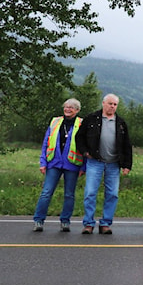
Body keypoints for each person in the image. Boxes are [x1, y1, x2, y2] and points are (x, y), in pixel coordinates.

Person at [76, 93, 132, 235]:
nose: (112, 106)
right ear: (103, 103)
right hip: (95, 162)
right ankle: (88, 223)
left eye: (115, 104)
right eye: (110, 103)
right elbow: (79, 137)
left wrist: (127, 164)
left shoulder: (121, 123)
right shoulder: (91, 118)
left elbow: (127, 144)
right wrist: (85, 152)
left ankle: (105, 223)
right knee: (90, 193)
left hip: (114, 164)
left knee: (112, 194)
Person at [32, 98, 85, 232]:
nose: (68, 109)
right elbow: (46, 142)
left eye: (71, 107)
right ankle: (38, 220)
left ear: (77, 110)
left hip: (72, 164)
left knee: (69, 194)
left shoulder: (82, 124)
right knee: (46, 192)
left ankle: (65, 221)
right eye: (66, 107)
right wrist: (43, 162)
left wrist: (83, 167)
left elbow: (85, 147)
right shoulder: (55, 121)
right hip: (54, 163)